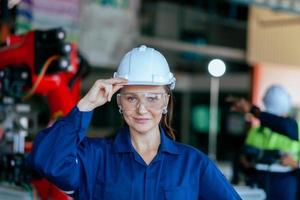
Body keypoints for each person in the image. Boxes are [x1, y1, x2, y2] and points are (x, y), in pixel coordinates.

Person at [27, 45, 241, 200]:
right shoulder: (95, 158)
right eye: (131, 98)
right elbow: (46, 160)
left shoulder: (193, 164)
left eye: (152, 98)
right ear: (118, 101)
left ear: (166, 101)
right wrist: (85, 106)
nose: (141, 109)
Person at [227, 85, 300, 200]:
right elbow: (243, 160)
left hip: (285, 183)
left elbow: (284, 125)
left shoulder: (293, 128)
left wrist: (295, 164)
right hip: (258, 182)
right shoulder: (255, 132)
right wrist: (245, 163)